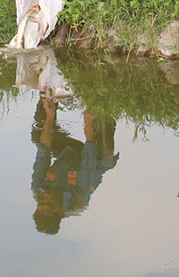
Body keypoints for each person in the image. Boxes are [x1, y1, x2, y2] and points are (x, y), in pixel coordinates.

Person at [30, 95, 119, 235]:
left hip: (68, 155)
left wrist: (49, 116)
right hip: (96, 160)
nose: (46, 197)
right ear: (60, 212)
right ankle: (103, 103)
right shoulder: (79, 200)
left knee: (38, 136)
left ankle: (50, 95)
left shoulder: (38, 189)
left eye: (41, 203)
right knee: (106, 153)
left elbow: (43, 153)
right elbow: (88, 163)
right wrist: (88, 123)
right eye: (50, 203)